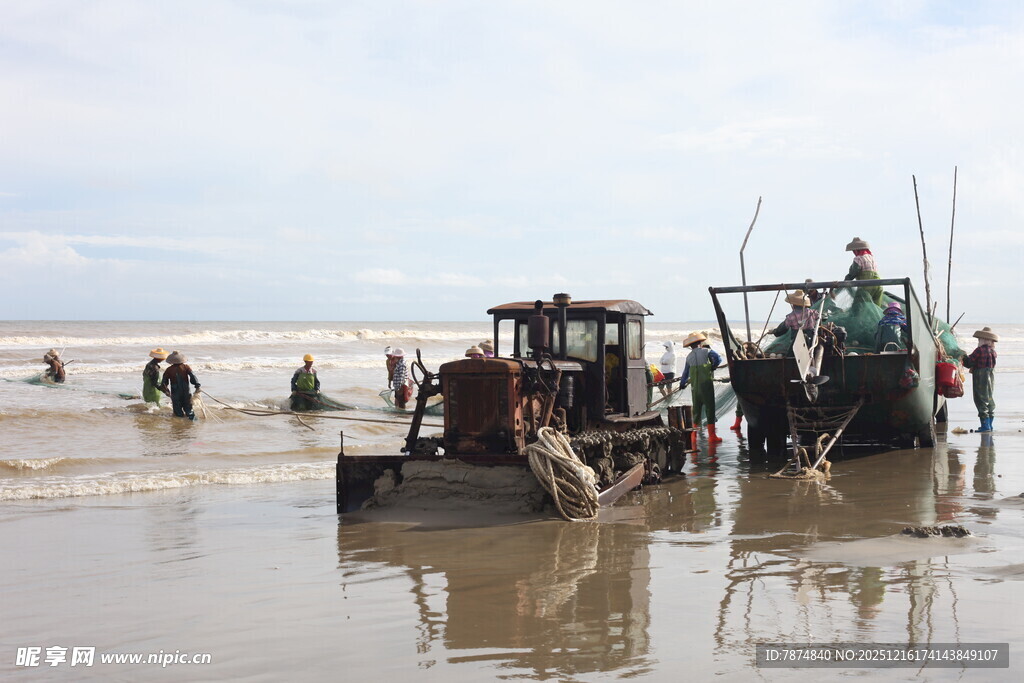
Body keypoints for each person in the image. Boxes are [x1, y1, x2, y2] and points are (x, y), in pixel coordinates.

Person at [680, 332, 723, 443]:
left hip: (695, 388)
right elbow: (718, 359)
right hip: (706, 386)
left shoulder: (689, 357)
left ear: (690, 345)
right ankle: (712, 436)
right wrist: (712, 367)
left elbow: (685, 373)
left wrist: (682, 384)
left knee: (697, 411)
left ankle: (693, 436)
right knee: (710, 409)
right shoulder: (707, 351)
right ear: (700, 342)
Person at [962, 327, 998, 432]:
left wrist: (963, 356)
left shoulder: (979, 350)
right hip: (990, 377)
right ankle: (990, 425)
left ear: (983, 339)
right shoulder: (993, 352)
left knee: (980, 399)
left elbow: (969, 363)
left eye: (979, 339)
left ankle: (985, 426)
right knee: (989, 399)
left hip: (980, 377)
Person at [842, 237, 883, 306]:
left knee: (858, 307)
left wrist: (846, 281)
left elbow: (853, 272)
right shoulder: (871, 258)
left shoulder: (858, 258)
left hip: (866, 287)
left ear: (856, 250)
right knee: (875, 307)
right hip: (878, 286)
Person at [160, 351, 201, 420]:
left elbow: (164, 382)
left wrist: (166, 391)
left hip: (175, 393)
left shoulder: (169, 370)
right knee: (189, 409)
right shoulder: (186, 367)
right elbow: (193, 376)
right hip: (186, 392)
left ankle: (180, 424)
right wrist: (197, 386)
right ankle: (193, 422)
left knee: (178, 411)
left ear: (171, 361)